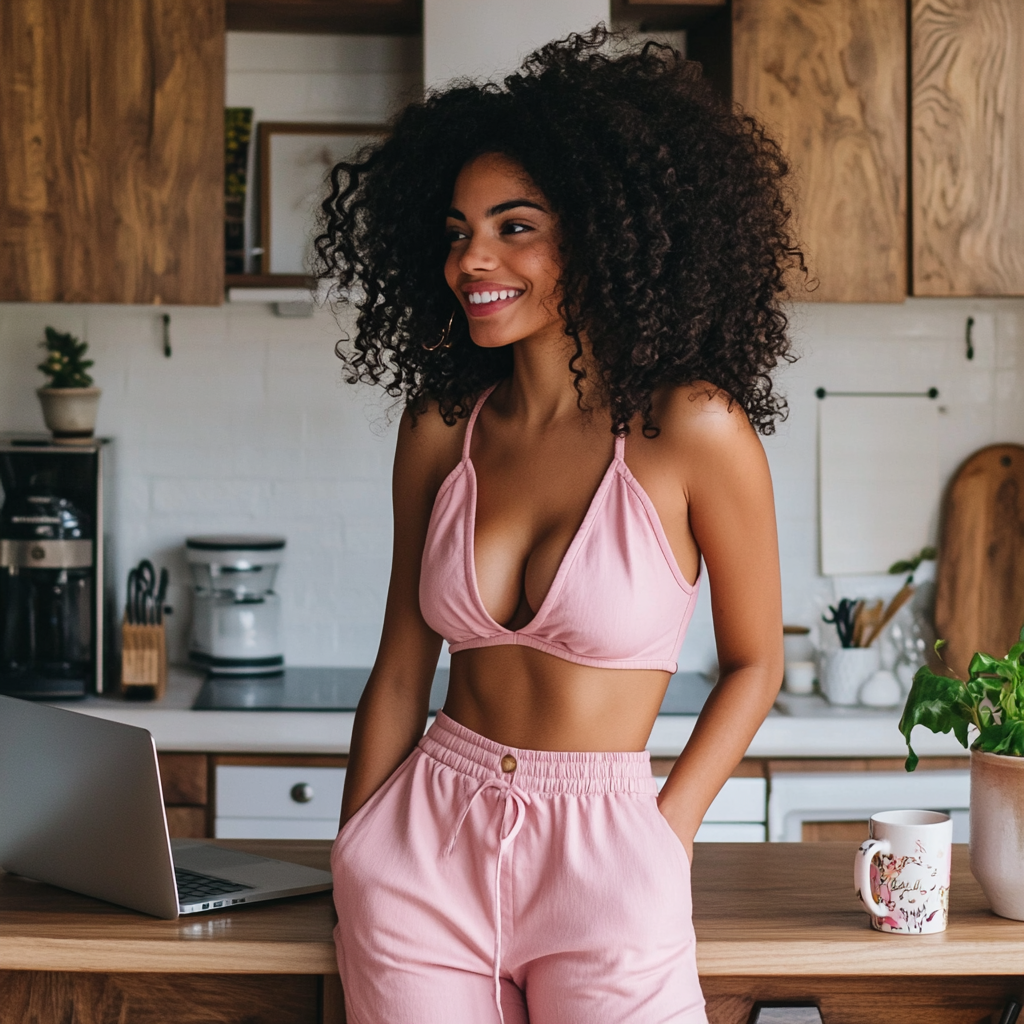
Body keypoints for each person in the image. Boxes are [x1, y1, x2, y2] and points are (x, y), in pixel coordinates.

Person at [315, 26, 798, 1024]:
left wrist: (662, 833)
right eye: (455, 231)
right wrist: (355, 846)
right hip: (420, 853)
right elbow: (403, 664)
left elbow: (756, 663)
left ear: (601, 230)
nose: (472, 260)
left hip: (608, 852)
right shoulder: (443, 425)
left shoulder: (689, 429)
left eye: (513, 226)